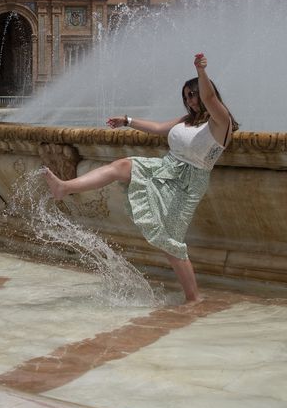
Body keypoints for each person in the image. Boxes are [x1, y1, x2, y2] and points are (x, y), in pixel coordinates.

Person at [44, 53, 238, 303]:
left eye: (193, 94)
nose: (190, 100)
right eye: (186, 96)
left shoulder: (221, 123)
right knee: (122, 166)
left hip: (188, 183)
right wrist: (127, 120)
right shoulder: (186, 121)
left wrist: (201, 72)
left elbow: (210, 98)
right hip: (165, 168)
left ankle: (194, 298)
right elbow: (158, 128)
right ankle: (64, 187)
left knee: (172, 242)